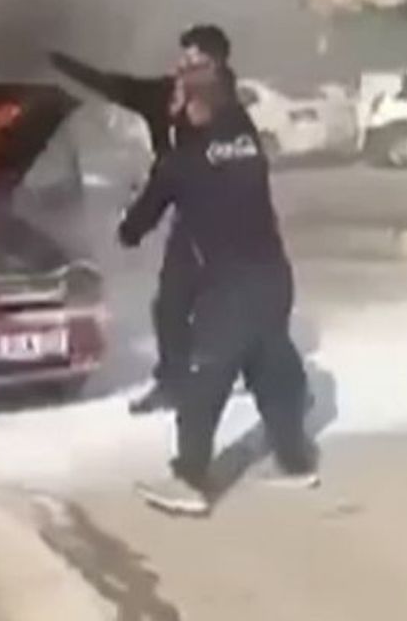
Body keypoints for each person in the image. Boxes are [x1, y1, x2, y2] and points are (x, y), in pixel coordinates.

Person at [117, 58, 317, 517]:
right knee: (271, 367)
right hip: (274, 276)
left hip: (229, 287)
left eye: (177, 98)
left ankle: (189, 478)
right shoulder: (247, 140)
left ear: (195, 105)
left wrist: (127, 228)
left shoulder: (182, 161)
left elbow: (140, 220)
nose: (171, 105)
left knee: (204, 380)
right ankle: (295, 461)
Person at [50, 25, 238, 415]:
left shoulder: (223, 103)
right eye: (185, 54)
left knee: (224, 300)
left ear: (215, 64)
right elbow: (115, 86)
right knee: (170, 304)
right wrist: (59, 62)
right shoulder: (163, 94)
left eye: (196, 57)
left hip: (222, 213)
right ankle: (174, 382)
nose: (184, 62)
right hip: (186, 213)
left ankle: (264, 376)